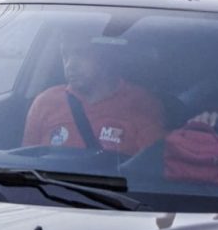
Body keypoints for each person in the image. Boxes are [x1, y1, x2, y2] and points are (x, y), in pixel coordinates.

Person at [23, 36, 164, 156]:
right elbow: (26, 163)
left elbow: (149, 168)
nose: (70, 65)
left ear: (104, 57)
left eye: (81, 54)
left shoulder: (141, 104)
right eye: (65, 55)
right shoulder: (46, 102)